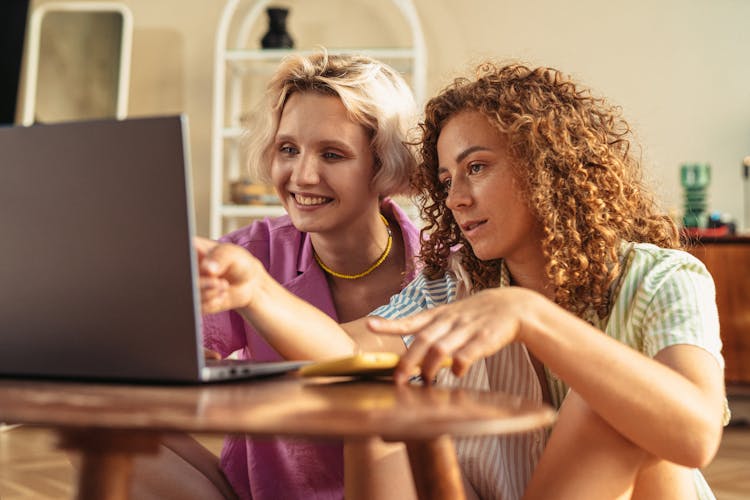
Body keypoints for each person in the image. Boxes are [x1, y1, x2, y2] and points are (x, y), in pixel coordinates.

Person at [198, 61, 728, 500]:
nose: (455, 198)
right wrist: (256, 289)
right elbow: (347, 353)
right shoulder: (454, 284)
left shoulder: (661, 278)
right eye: (447, 179)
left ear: (546, 167)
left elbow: (695, 435)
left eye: (476, 168)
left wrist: (530, 317)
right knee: (381, 397)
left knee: (612, 400)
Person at [134, 52, 423, 500]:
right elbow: (154, 351)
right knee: (96, 423)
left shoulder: (440, 271)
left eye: (333, 154)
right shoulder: (254, 251)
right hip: (259, 494)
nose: (302, 175)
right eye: (288, 149)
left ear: (383, 165)